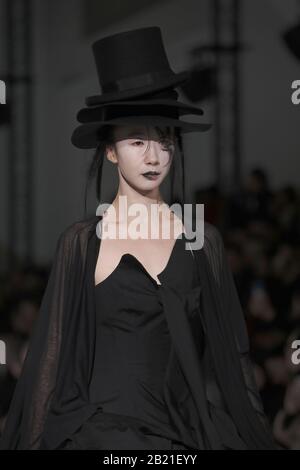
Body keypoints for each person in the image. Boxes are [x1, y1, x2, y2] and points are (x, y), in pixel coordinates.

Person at [0, 26, 278, 450]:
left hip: (181, 437)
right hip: (96, 437)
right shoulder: (80, 243)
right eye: (136, 140)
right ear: (110, 151)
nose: (153, 156)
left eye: (164, 140)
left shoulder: (202, 240)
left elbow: (233, 357)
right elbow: (51, 363)